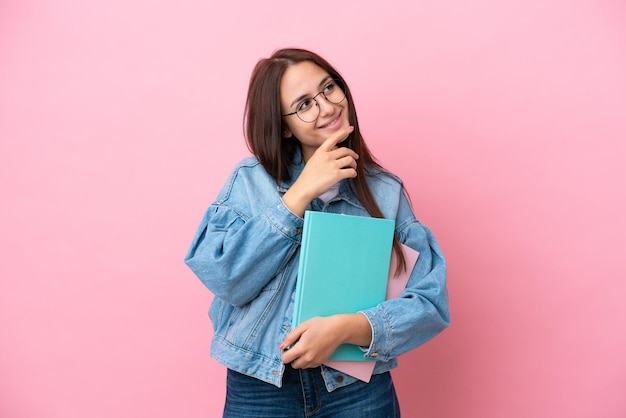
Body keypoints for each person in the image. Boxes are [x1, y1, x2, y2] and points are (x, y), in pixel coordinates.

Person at [184, 47, 449, 417]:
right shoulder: (249, 181)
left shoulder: (386, 192)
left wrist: (347, 329)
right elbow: (226, 278)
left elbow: (429, 303)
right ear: (283, 125)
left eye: (329, 89)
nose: (326, 107)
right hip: (260, 387)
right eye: (304, 104)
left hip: (357, 391)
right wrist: (299, 195)